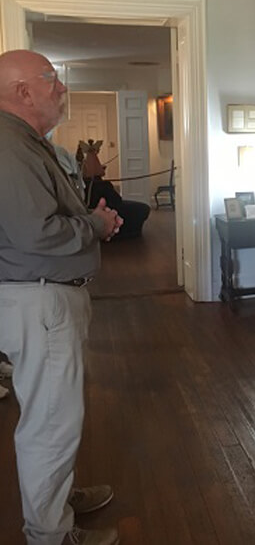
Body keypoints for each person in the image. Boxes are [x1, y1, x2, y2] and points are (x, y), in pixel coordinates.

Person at [0, 50, 123, 545]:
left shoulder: (27, 143)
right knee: (51, 423)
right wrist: (95, 225)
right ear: (23, 91)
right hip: (41, 301)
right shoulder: (9, 146)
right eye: (52, 79)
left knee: (50, 413)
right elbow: (37, 233)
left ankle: (53, 496)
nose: (62, 89)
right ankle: (50, 534)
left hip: (44, 299)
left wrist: (90, 222)